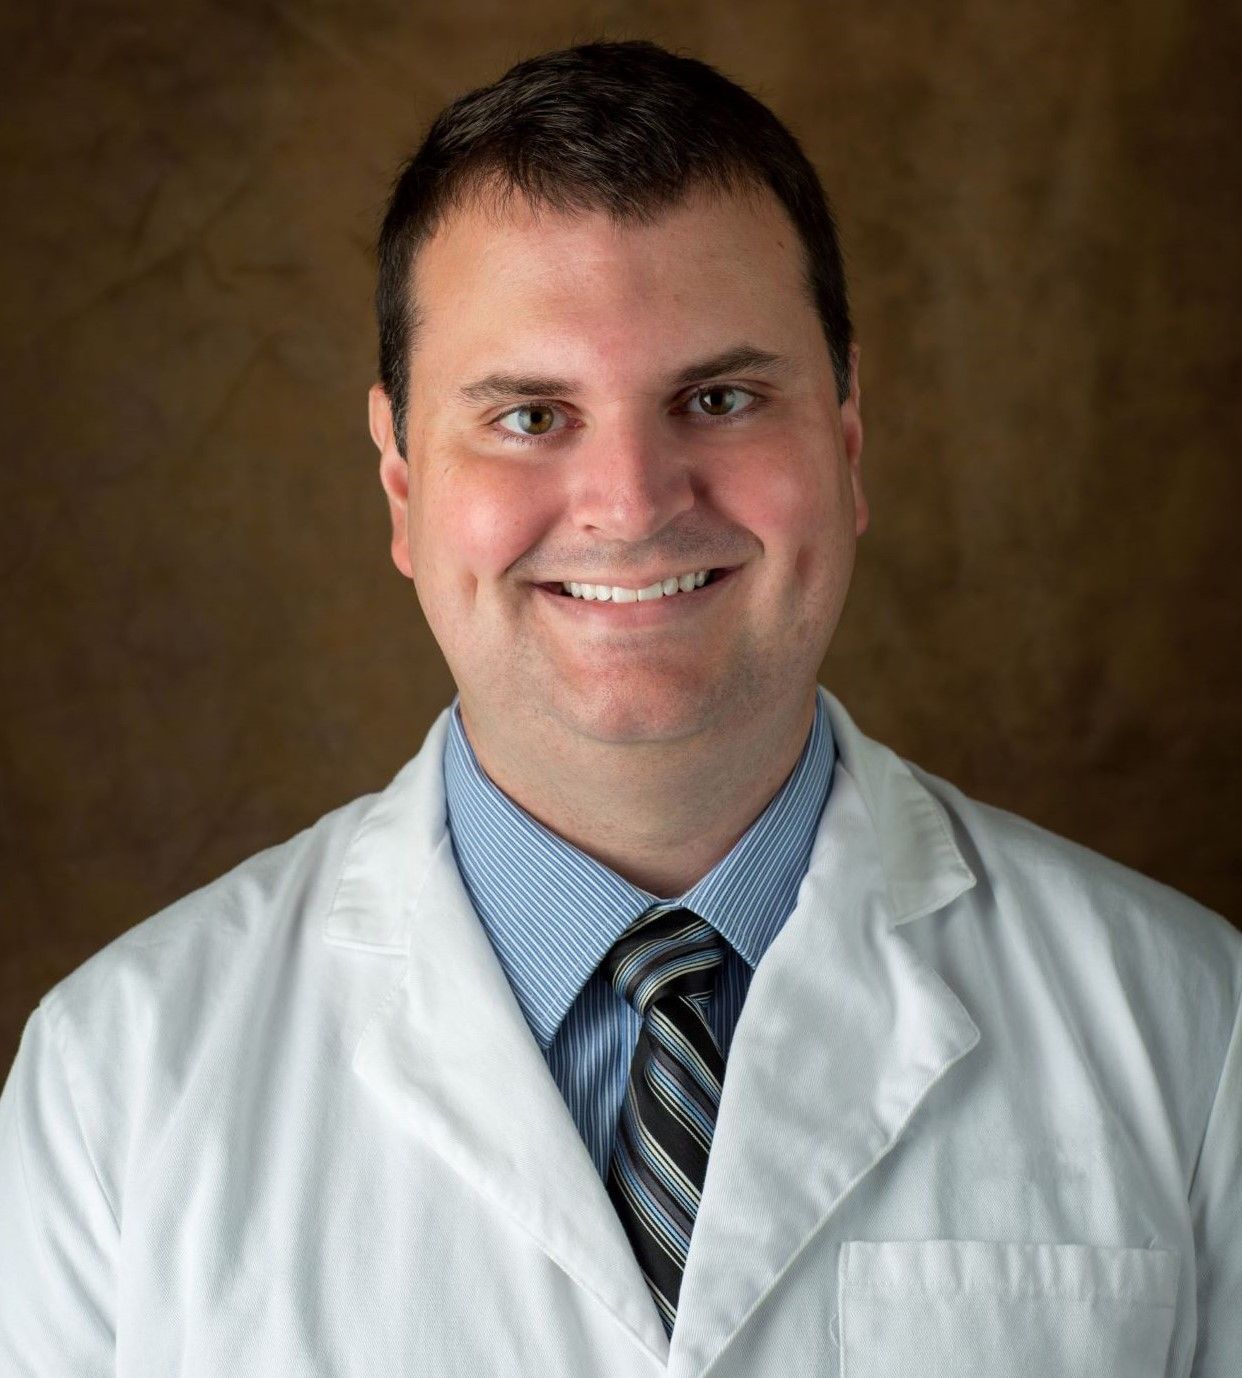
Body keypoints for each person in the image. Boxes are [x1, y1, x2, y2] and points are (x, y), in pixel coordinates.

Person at [0, 38, 1237, 1378]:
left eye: (720, 397)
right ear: (404, 485)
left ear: (846, 444)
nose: (634, 503)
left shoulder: (1191, 1034)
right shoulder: (115, 1082)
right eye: (531, 416)